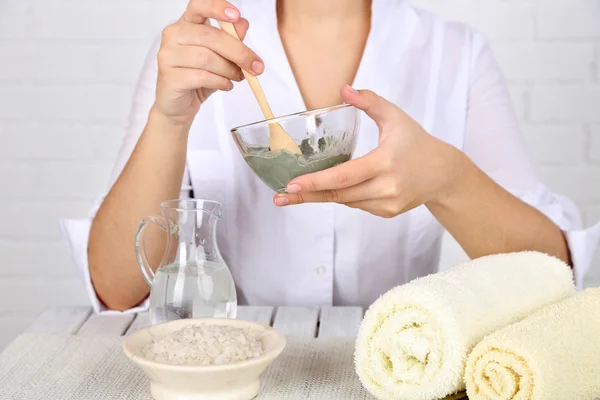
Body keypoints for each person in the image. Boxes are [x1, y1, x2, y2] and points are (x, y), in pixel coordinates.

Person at [61, 0, 599, 314]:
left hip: (394, 374)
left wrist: (446, 179)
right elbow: (116, 291)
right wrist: (170, 120)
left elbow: (556, 280)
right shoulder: (197, 52)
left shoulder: (453, 54)